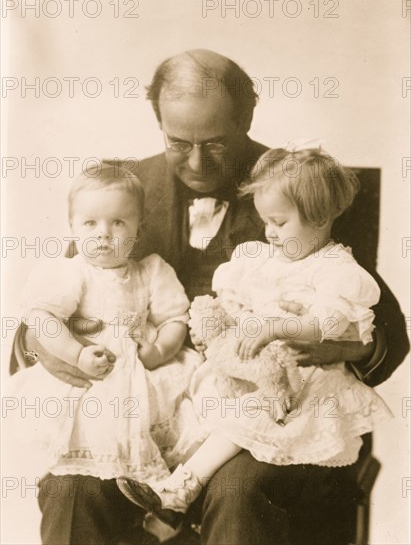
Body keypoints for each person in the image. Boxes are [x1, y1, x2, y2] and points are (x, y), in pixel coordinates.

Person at [10, 49, 409, 545]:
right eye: (179, 143)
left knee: (240, 489)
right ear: (157, 122)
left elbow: (384, 329)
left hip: (259, 410)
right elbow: (59, 299)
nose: (196, 162)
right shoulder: (120, 192)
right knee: (73, 486)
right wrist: (51, 348)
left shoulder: (302, 185)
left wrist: (343, 345)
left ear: (247, 120)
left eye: (215, 145)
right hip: (140, 403)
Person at [116, 147, 393, 532]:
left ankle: (177, 492)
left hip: (300, 391)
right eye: (266, 221)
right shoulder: (260, 259)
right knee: (198, 417)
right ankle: (167, 514)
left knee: (240, 433)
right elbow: (235, 305)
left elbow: (323, 324)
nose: (269, 232)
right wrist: (213, 326)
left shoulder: (336, 270)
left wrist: (274, 328)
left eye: (279, 222)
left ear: (322, 218)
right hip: (245, 375)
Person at [5, 163, 202, 508]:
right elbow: (43, 318)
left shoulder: (151, 271)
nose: (103, 234)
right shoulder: (69, 273)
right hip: (93, 375)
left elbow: (174, 318)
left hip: (142, 374)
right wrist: (76, 354)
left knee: (167, 421)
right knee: (92, 435)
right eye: (90, 223)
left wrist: (160, 350)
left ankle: (154, 497)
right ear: (72, 227)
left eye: (118, 223)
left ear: (138, 231)